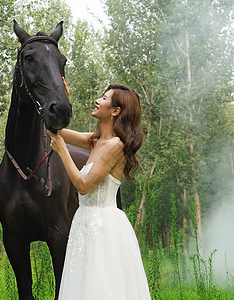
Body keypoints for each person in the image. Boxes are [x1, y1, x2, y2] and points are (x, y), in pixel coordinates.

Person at [48, 83, 151, 300]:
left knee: (103, 288)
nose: (97, 100)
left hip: (104, 229)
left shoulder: (116, 146)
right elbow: (54, 130)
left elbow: (84, 187)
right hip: (83, 223)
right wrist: (62, 100)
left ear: (115, 111)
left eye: (104, 98)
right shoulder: (95, 141)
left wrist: (63, 152)